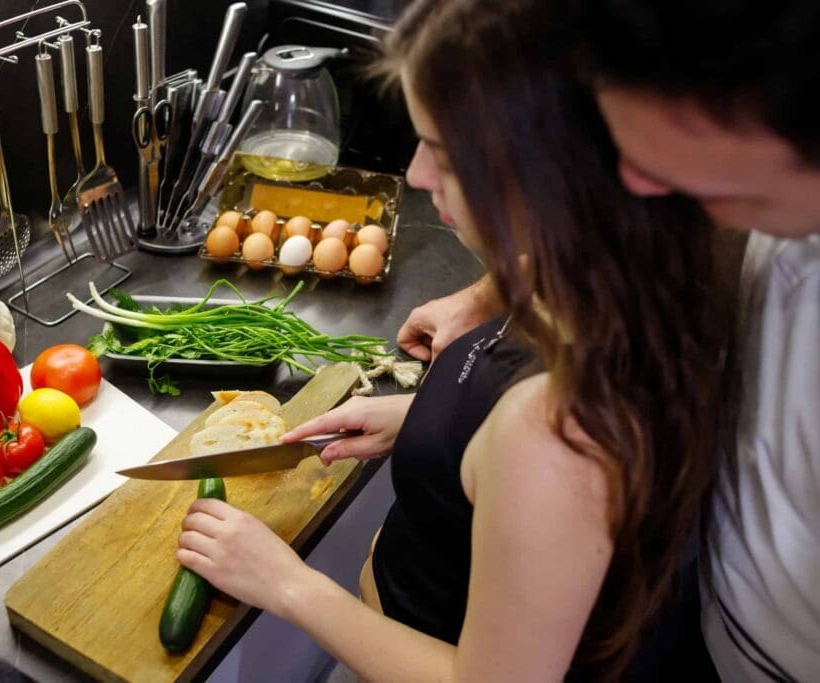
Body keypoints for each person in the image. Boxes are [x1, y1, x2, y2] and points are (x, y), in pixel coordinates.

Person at [175, 0, 729, 679]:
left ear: (547, 170)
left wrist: (287, 583)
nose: (414, 175)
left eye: (442, 153)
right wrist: (430, 422)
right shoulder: (618, 275)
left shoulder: (557, 433)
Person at [399, 3, 820, 680]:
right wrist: (499, 282)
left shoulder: (555, 436)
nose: (640, 182)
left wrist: (294, 589)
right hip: (711, 627)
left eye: (664, 154)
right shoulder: (741, 221)